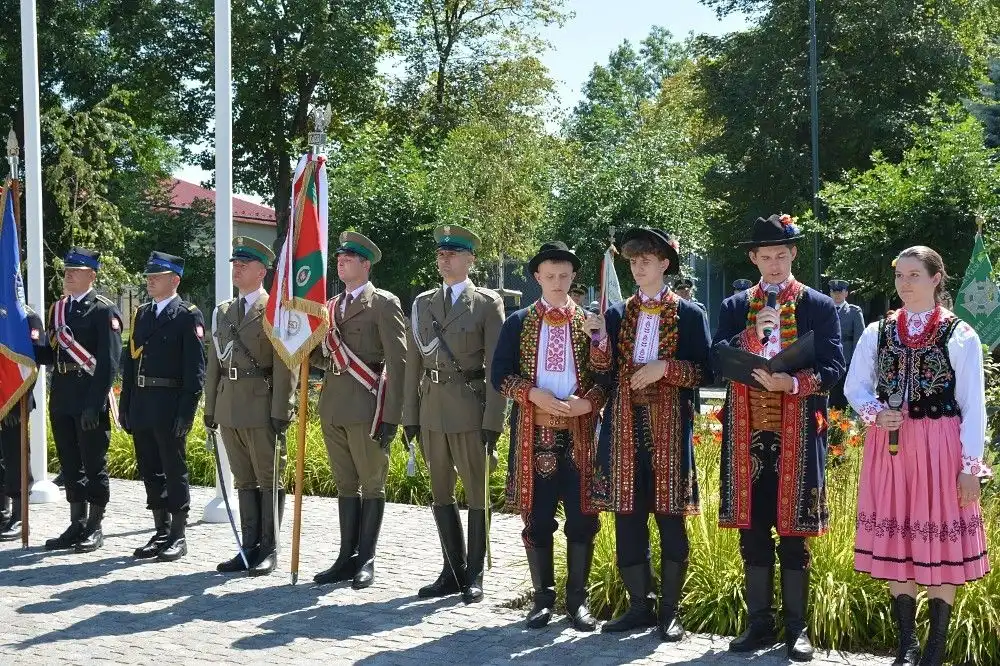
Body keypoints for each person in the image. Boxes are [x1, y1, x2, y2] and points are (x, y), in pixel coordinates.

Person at [845, 246, 991, 666]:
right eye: (900, 275)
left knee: (939, 542)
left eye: (914, 275)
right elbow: (855, 385)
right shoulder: (878, 331)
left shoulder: (960, 334)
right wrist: (875, 412)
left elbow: (973, 405)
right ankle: (906, 645)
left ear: (935, 278)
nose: (904, 284)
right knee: (900, 537)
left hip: (941, 449)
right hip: (890, 448)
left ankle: (935, 648)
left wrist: (970, 467)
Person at [713, 215, 845, 662]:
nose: (774, 263)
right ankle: (759, 624)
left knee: (794, 533)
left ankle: (796, 628)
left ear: (793, 255)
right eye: (766, 256)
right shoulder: (735, 306)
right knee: (752, 531)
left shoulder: (817, 305)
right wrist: (754, 335)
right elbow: (717, 358)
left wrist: (793, 383)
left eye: (781, 255)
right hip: (746, 434)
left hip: (798, 433)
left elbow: (834, 367)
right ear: (754, 258)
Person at [586, 227, 711, 642]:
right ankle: (640, 605)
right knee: (628, 521)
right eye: (633, 261)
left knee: (671, 521)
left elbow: (706, 372)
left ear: (664, 264)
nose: (638, 268)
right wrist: (597, 341)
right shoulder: (617, 313)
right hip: (624, 427)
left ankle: (669, 613)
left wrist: (665, 368)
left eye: (646, 260)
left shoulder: (689, 314)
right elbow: (602, 373)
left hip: (669, 430)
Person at [491, 241, 606, 631]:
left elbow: (606, 376)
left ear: (573, 278)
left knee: (583, 519)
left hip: (579, 435)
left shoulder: (590, 323)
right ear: (537, 277)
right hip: (534, 433)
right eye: (550, 275)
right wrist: (530, 393)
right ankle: (542, 600)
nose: (557, 282)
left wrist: (588, 403)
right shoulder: (518, 321)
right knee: (537, 519)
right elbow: (499, 374)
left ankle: (578, 602)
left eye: (564, 275)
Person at [403, 224, 505, 604]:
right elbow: (412, 365)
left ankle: (474, 573)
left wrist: (493, 421)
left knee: (476, 491)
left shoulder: (486, 304)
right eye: (441, 254)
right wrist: (410, 416)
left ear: (470, 260)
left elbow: (496, 367)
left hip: (469, 409)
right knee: (440, 491)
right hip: (431, 409)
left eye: (453, 254)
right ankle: (452, 569)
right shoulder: (423, 303)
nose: (444, 260)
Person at [312, 231, 406, 590]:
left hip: (368, 406)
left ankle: (366, 559)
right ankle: (345, 557)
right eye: (339, 257)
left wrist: (392, 416)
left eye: (349, 257)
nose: (341, 261)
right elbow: (324, 357)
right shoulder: (330, 306)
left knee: (371, 483)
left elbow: (398, 362)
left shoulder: (383, 303)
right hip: (333, 406)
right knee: (345, 484)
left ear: (366, 264)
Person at [204, 237, 295, 576]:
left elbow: (286, 365)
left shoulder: (275, 310)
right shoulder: (223, 312)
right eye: (235, 263)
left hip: (261, 403)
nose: (237, 268)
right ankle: (249, 546)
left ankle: (269, 548)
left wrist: (281, 409)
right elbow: (214, 364)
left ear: (262, 272)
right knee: (244, 479)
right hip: (229, 404)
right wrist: (210, 407)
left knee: (269, 477)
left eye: (245, 264)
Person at [119, 251, 206, 562]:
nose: (150, 281)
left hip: (169, 403)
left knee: (173, 469)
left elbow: (195, 370)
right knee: (150, 468)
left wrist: (186, 412)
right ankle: (160, 530)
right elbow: (130, 365)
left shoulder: (187, 315)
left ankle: (178, 534)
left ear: (175, 280)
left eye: (157, 276)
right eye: (149, 276)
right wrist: (125, 404)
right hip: (142, 403)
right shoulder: (142, 314)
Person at [42, 248, 123, 553]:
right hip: (62, 394)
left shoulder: (104, 310)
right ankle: (76, 523)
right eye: (67, 270)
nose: (69, 275)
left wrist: (95, 403)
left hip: (89, 395)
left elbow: (109, 363)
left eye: (75, 271)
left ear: (92, 275)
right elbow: (50, 353)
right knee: (70, 463)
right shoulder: (59, 310)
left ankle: (95, 526)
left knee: (93, 463)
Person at [0, 307, 47, 540]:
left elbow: (32, 362)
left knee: (15, 457)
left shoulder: (26, 317)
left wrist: (17, 400)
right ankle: (2, 512)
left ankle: (19, 514)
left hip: (14, 400)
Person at [828, 279, 864, 410]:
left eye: (840, 292)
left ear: (846, 293)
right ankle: (832, 419)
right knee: (830, 394)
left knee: (844, 394)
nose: (837, 295)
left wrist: (856, 361)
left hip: (846, 359)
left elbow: (859, 338)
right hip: (828, 359)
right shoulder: (825, 309)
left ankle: (844, 420)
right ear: (830, 293)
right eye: (834, 292)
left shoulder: (854, 311)